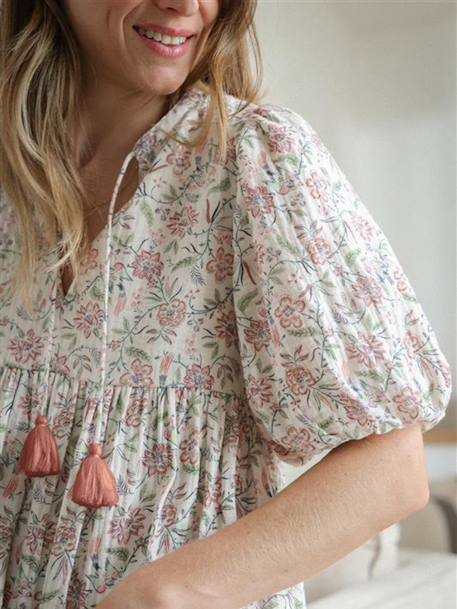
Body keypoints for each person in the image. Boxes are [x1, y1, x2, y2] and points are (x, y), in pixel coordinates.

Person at [0, 1, 452, 608]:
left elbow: (391, 470)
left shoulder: (256, 160)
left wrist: (164, 591)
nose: (185, 4)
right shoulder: (11, 176)